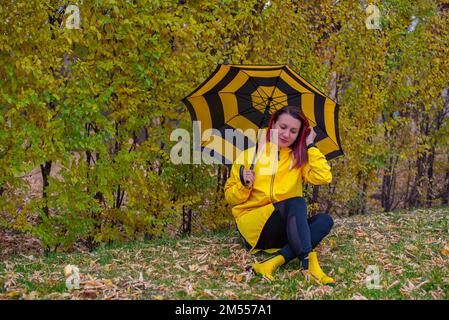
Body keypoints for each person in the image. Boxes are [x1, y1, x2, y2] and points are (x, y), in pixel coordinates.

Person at [224, 105, 335, 285]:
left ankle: (273, 262)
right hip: (254, 227)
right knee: (297, 202)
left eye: (293, 131)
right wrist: (244, 185)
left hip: (285, 228)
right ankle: (309, 264)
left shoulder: (298, 159)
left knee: (324, 221)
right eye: (282, 127)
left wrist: (311, 145)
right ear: (273, 125)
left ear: (299, 134)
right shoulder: (249, 156)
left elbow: (324, 176)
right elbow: (230, 197)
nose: (286, 134)